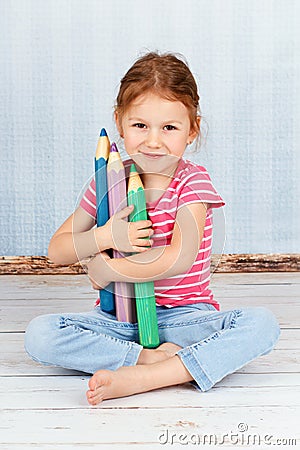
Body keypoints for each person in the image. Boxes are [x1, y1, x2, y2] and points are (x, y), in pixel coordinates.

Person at [25, 52, 280, 406]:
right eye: (140, 125)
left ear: (193, 129)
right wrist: (105, 237)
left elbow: (178, 257)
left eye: (169, 128)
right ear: (120, 122)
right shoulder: (108, 182)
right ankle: (152, 360)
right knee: (40, 335)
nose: (153, 141)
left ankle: (149, 376)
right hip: (119, 321)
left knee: (262, 324)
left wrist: (110, 267)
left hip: (185, 321)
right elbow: (57, 251)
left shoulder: (192, 184)